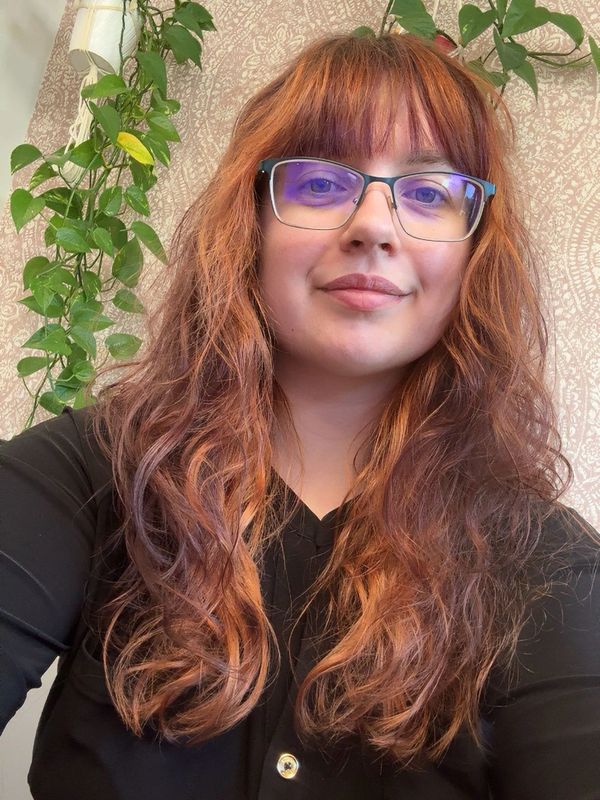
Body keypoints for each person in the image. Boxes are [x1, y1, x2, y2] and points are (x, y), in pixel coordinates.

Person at [1, 30, 599, 800]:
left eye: (428, 193)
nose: (374, 226)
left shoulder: (547, 567)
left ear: (473, 255)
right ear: (251, 223)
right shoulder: (90, 473)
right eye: (320, 182)